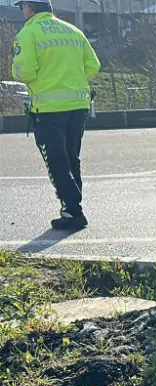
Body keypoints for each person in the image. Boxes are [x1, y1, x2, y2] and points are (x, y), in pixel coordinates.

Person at [12, 0, 100, 230]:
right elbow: (93, 67)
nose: (22, 11)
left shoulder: (28, 33)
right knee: (72, 158)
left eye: (22, 6)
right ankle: (73, 207)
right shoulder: (73, 31)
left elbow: (24, 72)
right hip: (78, 105)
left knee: (56, 161)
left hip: (48, 109)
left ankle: (73, 211)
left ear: (29, 7)